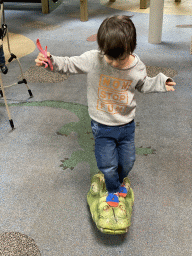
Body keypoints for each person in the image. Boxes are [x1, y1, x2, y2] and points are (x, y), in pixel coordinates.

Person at [35, 15, 176, 207]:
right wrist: (51, 61)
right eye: (110, 57)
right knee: (107, 164)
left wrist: (160, 82)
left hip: (127, 125)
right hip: (102, 126)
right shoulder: (94, 59)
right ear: (102, 49)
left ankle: (119, 179)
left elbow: (143, 84)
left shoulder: (137, 66)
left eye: (121, 58)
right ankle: (112, 189)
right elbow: (69, 63)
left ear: (130, 49)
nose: (115, 63)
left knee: (127, 162)